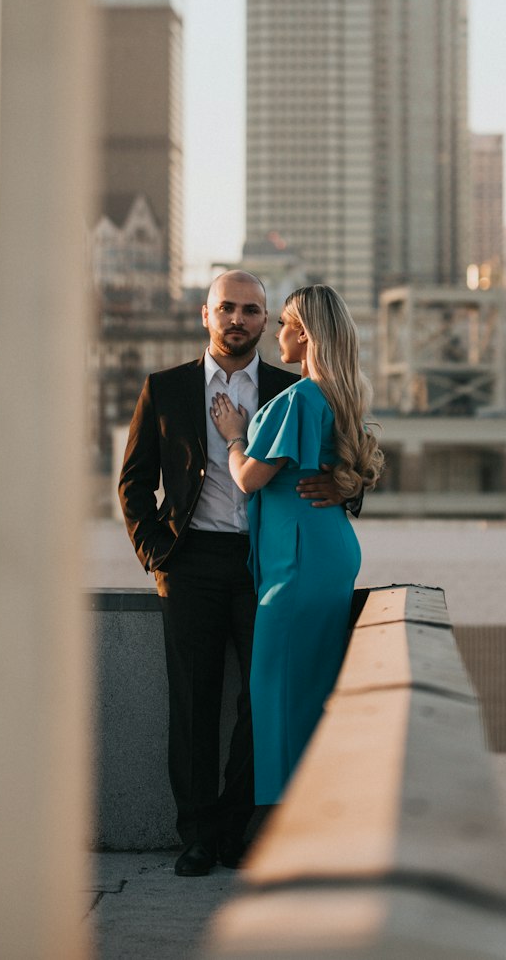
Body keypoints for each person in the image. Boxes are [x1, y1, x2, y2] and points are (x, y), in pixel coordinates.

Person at [118, 270, 348, 878]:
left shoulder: (289, 385)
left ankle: (233, 829)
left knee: (261, 699)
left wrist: (345, 487)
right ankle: (196, 836)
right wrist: (153, 551)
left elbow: (343, 462)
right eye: (227, 308)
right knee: (193, 703)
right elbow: (133, 482)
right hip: (188, 564)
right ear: (205, 314)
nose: (238, 319)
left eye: (251, 311)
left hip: (264, 567)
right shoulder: (164, 388)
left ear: (268, 322)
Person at [209, 284, 383, 805]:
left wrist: (234, 434)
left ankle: (282, 818)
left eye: (284, 323)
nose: (277, 334)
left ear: (303, 334)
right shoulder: (337, 393)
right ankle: (312, 804)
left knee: (274, 689)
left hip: (300, 560)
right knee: (309, 688)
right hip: (324, 549)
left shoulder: (301, 397)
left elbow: (248, 480)